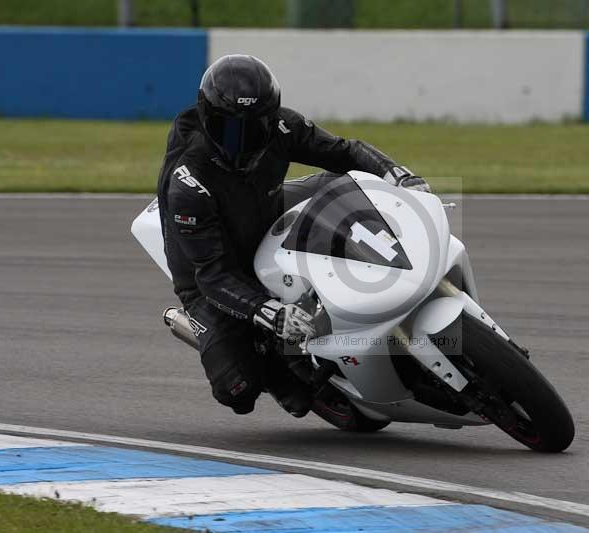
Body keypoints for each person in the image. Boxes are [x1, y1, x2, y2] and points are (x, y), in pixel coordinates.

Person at [157, 54, 430, 417]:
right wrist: (267, 311)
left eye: (255, 129)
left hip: (268, 215)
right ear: (208, 119)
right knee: (239, 391)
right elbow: (212, 275)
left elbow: (343, 152)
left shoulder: (283, 128)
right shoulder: (188, 182)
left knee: (346, 188)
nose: (242, 143)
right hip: (213, 272)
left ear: (272, 118)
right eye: (229, 130)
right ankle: (241, 347)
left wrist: (398, 174)